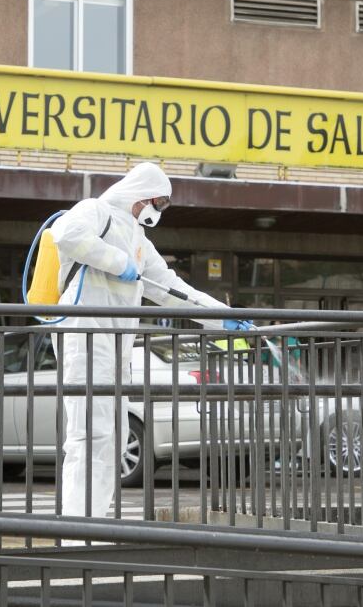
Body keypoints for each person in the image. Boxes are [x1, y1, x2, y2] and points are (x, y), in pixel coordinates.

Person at [50, 161, 250, 518]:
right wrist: (116, 261)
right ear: (140, 195)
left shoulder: (140, 242)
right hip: (85, 338)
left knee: (112, 438)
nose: (157, 211)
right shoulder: (96, 210)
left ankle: (92, 524)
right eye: (156, 202)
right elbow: (66, 234)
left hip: (115, 349)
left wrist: (220, 316)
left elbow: (173, 289)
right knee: (87, 436)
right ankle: (76, 531)